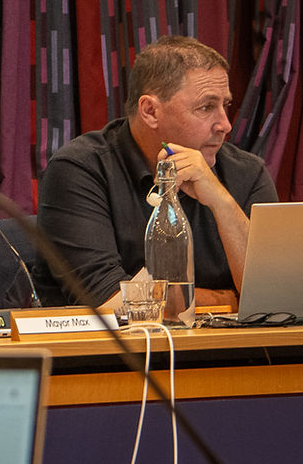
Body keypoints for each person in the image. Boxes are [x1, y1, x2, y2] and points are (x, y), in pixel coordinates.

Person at [32, 35, 278, 310]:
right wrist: (230, 299)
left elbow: (274, 298)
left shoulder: (248, 172)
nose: (225, 125)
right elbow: (108, 302)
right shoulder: (80, 169)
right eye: (206, 107)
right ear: (150, 111)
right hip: (119, 339)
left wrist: (221, 201)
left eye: (226, 106)